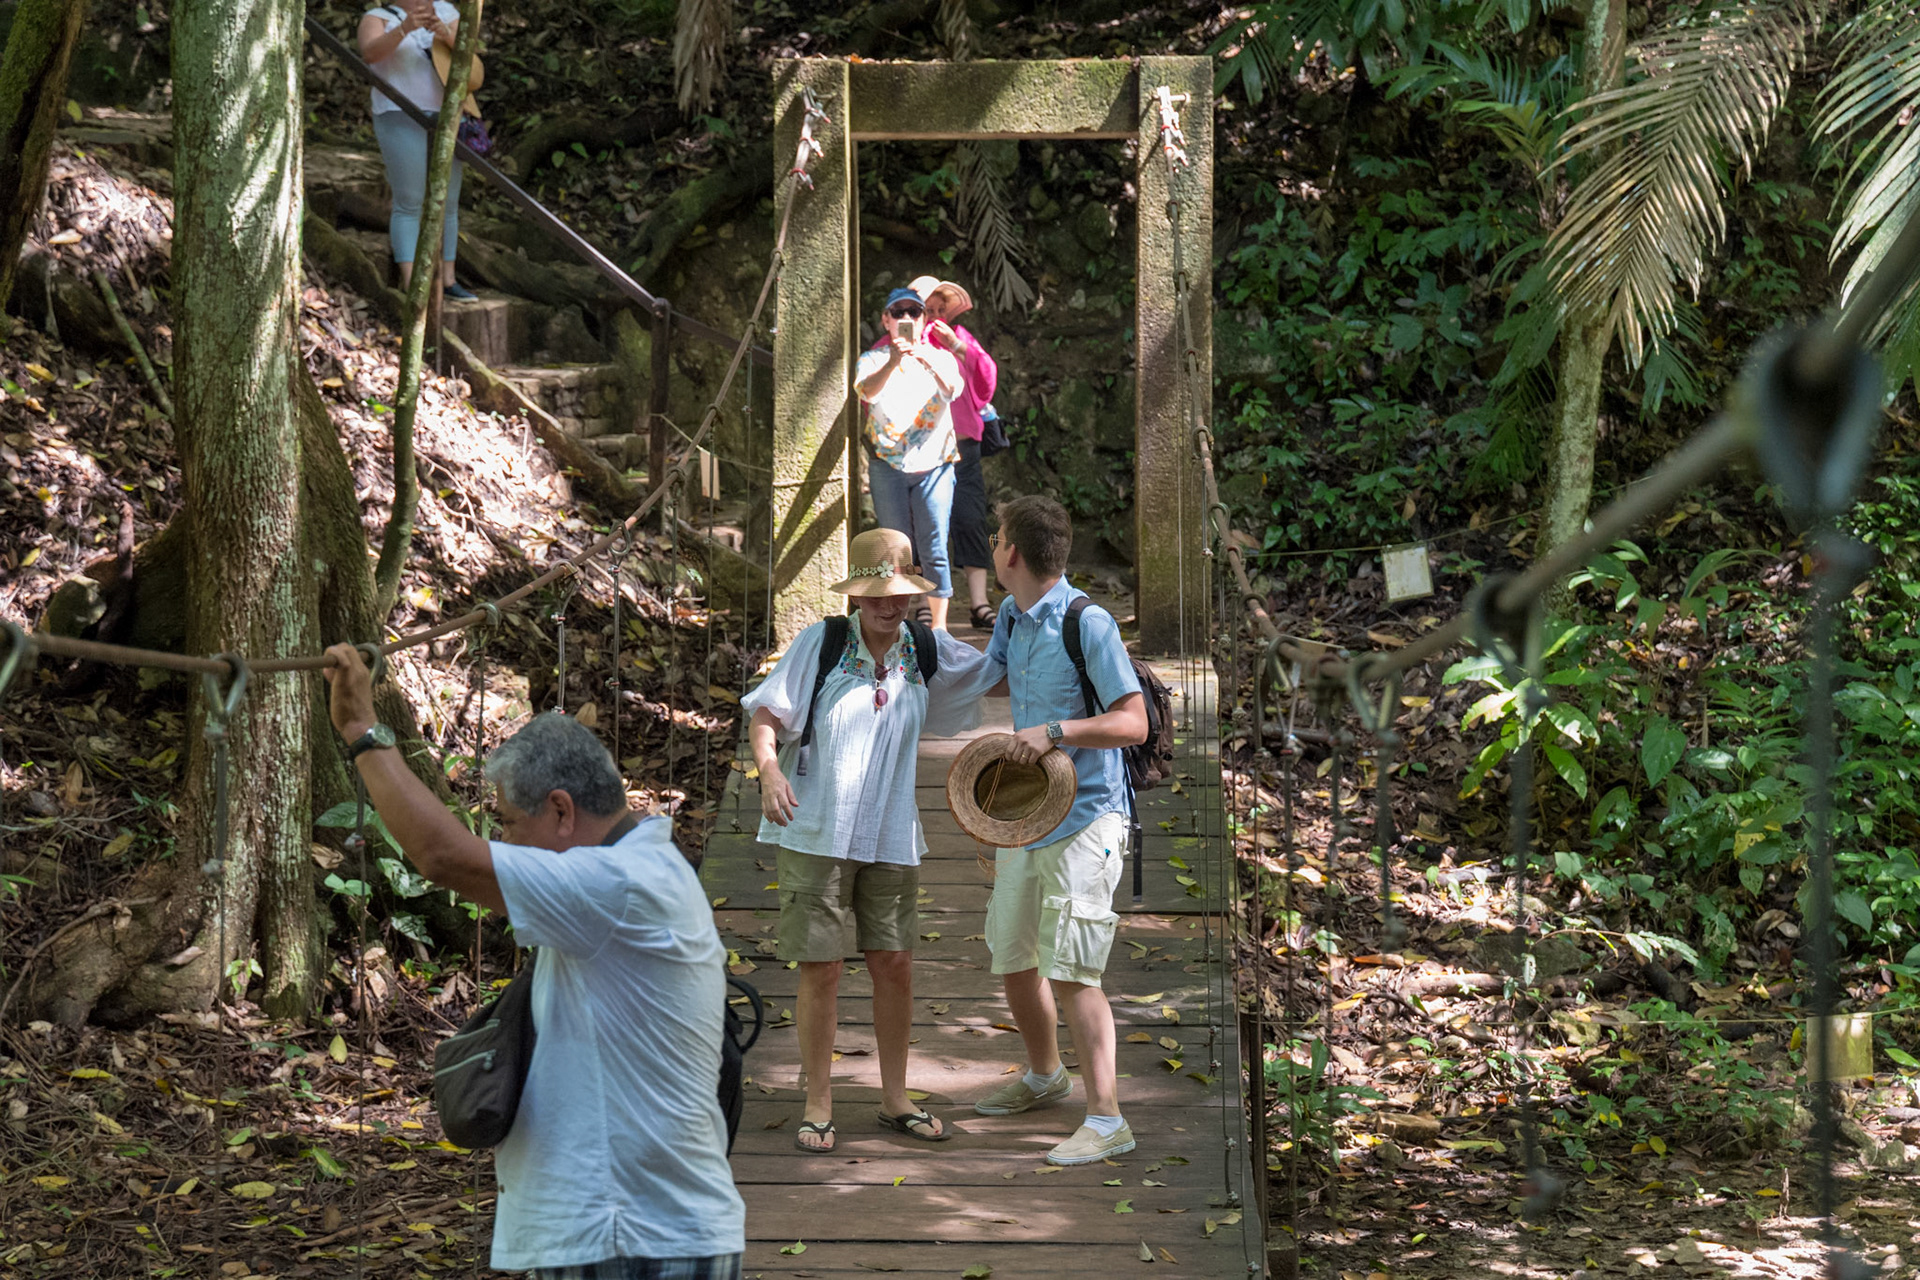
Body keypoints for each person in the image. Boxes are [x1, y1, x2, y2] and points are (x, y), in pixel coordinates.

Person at [320, 647, 745, 1278]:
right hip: (639, 1229)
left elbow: (443, 855)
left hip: (630, 1236)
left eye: (510, 823)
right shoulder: (637, 872)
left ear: (562, 810)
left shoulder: (619, 884)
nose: (504, 842)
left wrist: (361, 729)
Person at [743, 528, 991, 1153]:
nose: (890, 604)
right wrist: (768, 770)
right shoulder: (823, 642)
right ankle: (818, 1102)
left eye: (901, 592)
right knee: (822, 967)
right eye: (877, 593)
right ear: (856, 594)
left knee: (895, 963)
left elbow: (1000, 672)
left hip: (890, 831)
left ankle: (895, 1098)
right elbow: (767, 714)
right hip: (816, 829)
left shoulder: (925, 648)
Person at [968, 495, 1149, 1165]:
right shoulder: (1010, 617)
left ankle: (1108, 1120)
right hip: (1028, 817)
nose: (993, 547)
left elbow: (1134, 723)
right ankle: (1046, 1075)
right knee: (1014, 955)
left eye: (996, 538)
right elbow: (984, 680)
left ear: (1011, 552)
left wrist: (1054, 731)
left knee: (1073, 970)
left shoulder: (1087, 623)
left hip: (1087, 818)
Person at [855, 287, 963, 631]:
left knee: (934, 546)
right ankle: (896, 625)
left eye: (913, 312)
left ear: (924, 319)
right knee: (895, 548)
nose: (906, 318)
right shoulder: (872, 359)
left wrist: (924, 359)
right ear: (886, 320)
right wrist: (893, 361)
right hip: (887, 464)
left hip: (936, 464)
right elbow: (866, 392)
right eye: (898, 312)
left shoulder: (942, 357)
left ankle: (940, 631)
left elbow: (952, 390)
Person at [356, 0, 478, 300]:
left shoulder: (447, 12)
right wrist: (405, 28)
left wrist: (444, 32)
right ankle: (415, 285)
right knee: (410, 201)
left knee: (448, 201)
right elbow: (370, 54)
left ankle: (448, 279)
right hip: (399, 115)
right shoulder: (377, 17)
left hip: (448, 116)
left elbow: (470, 57)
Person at [907, 275, 1000, 632]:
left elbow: (987, 379)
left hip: (963, 443)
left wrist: (958, 347)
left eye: (939, 310)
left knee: (971, 518)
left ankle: (979, 603)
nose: (933, 317)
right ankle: (923, 601)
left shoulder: (959, 337)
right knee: (924, 523)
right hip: (922, 446)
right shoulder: (904, 341)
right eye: (927, 310)